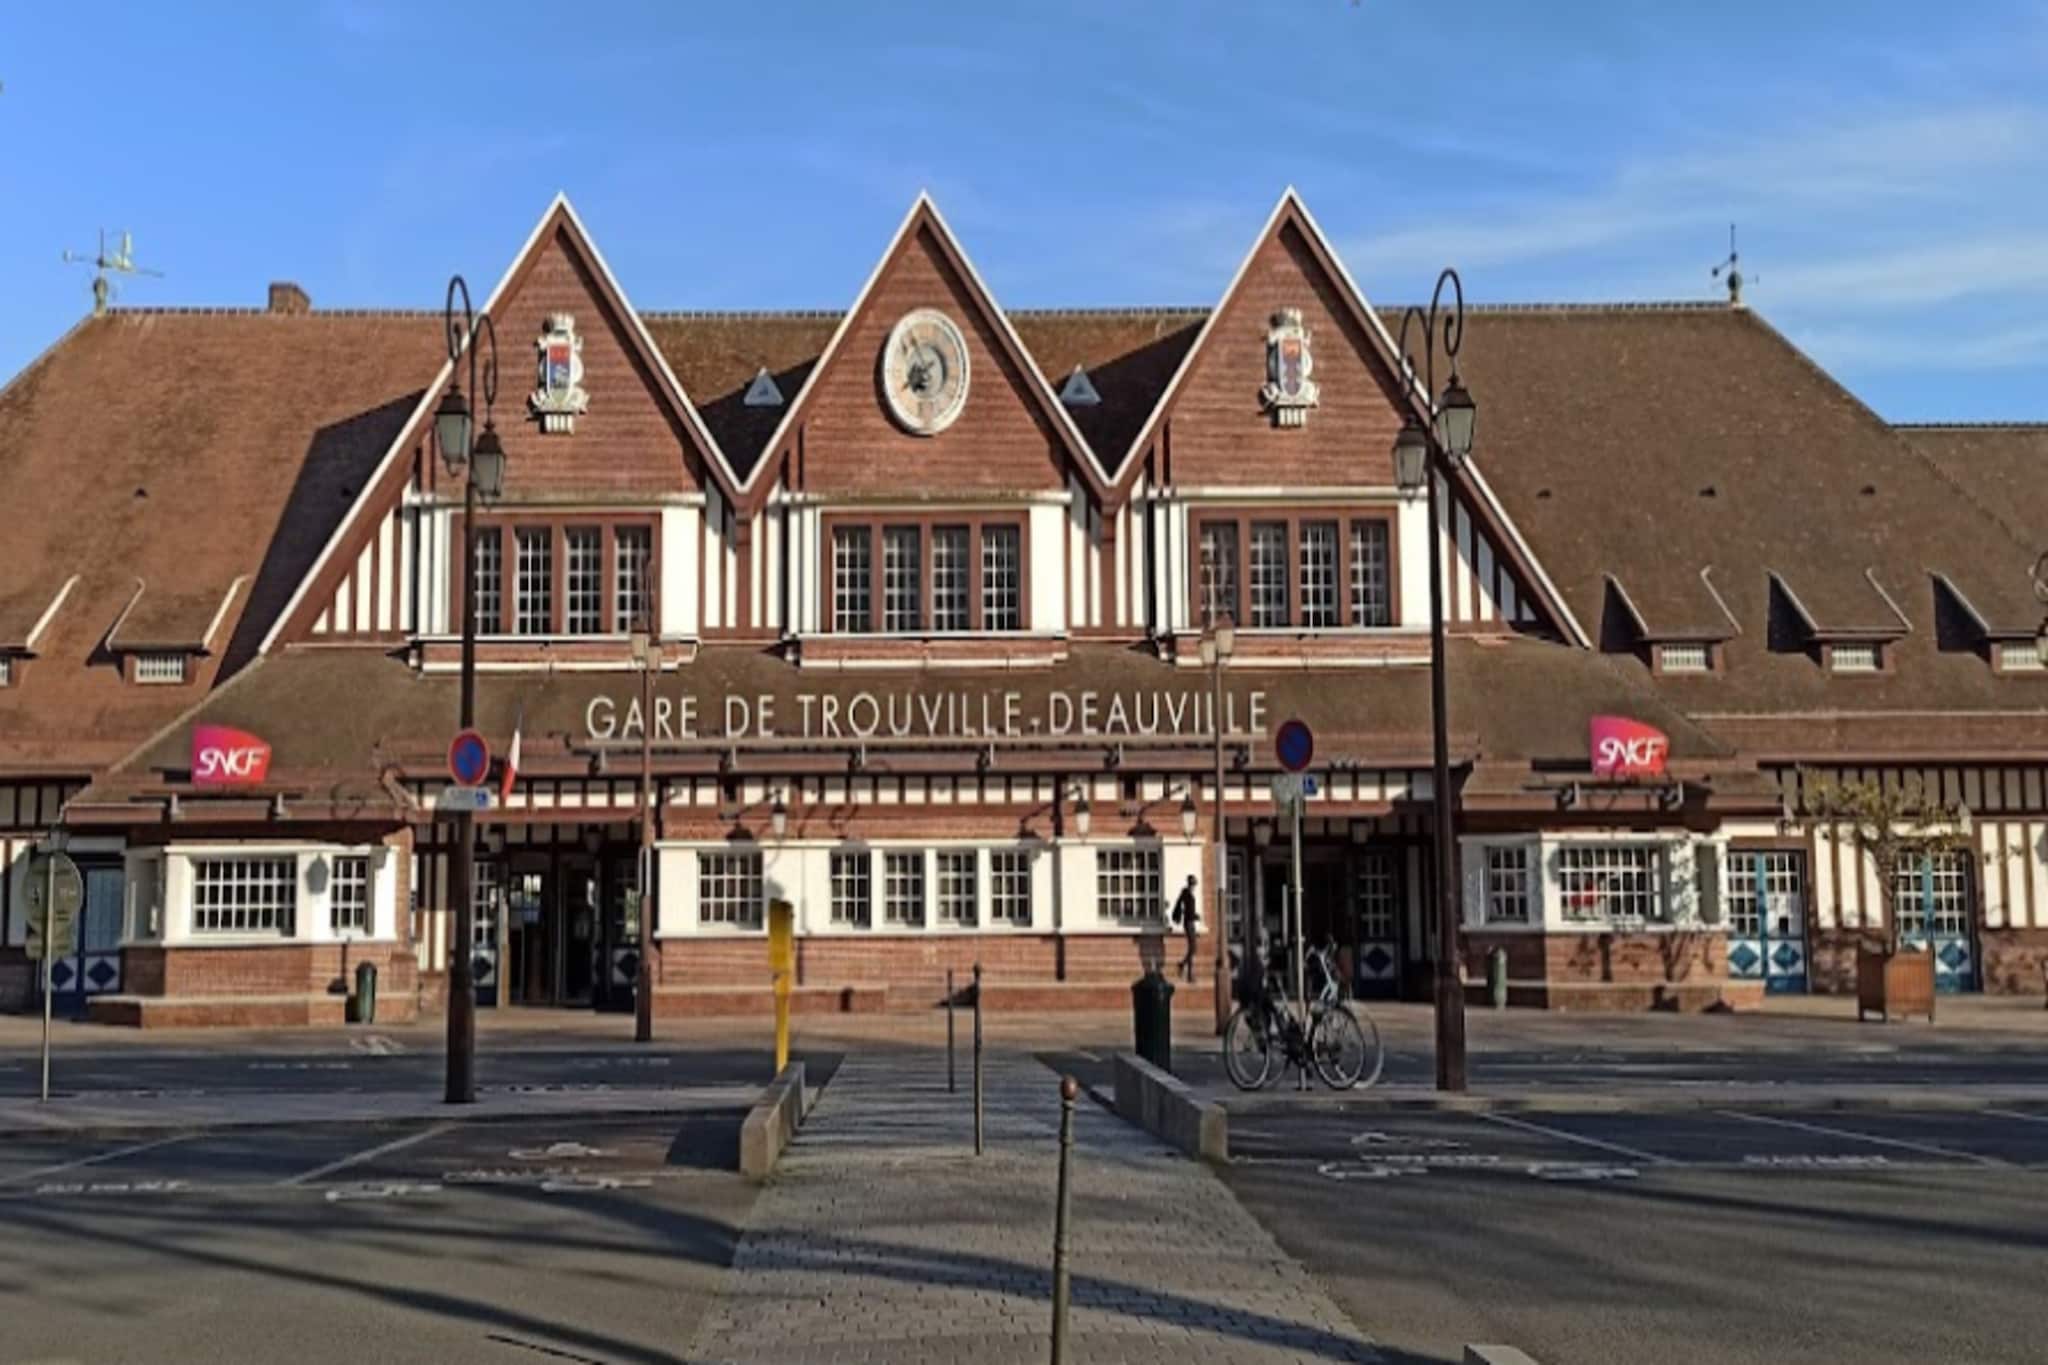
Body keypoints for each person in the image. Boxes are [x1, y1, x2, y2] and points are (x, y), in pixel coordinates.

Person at [1170, 874, 1199, 982]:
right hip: (1189, 923)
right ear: (1190, 884)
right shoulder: (1187, 894)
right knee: (1193, 948)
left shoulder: (1187, 893)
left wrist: (1194, 915)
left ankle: (1187, 971)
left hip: (1190, 922)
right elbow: (1187, 911)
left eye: (1194, 884)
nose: (1194, 886)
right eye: (1193, 884)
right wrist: (1195, 916)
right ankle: (1185, 968)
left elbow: (1185, 909)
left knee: (1192, 948)